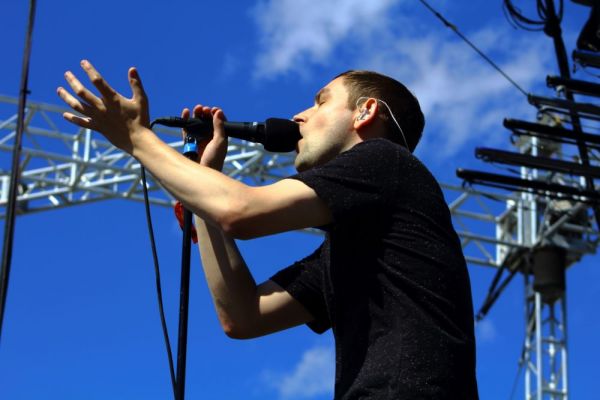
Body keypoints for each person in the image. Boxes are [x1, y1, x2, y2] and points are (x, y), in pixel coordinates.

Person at [57, 60, 479, 399]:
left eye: (320, 101)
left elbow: (242, 211)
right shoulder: (355, 243)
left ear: (365, 111)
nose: (300, 114)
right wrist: (204, 196)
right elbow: (245, 316)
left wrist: (135, 137)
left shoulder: (385, 160)